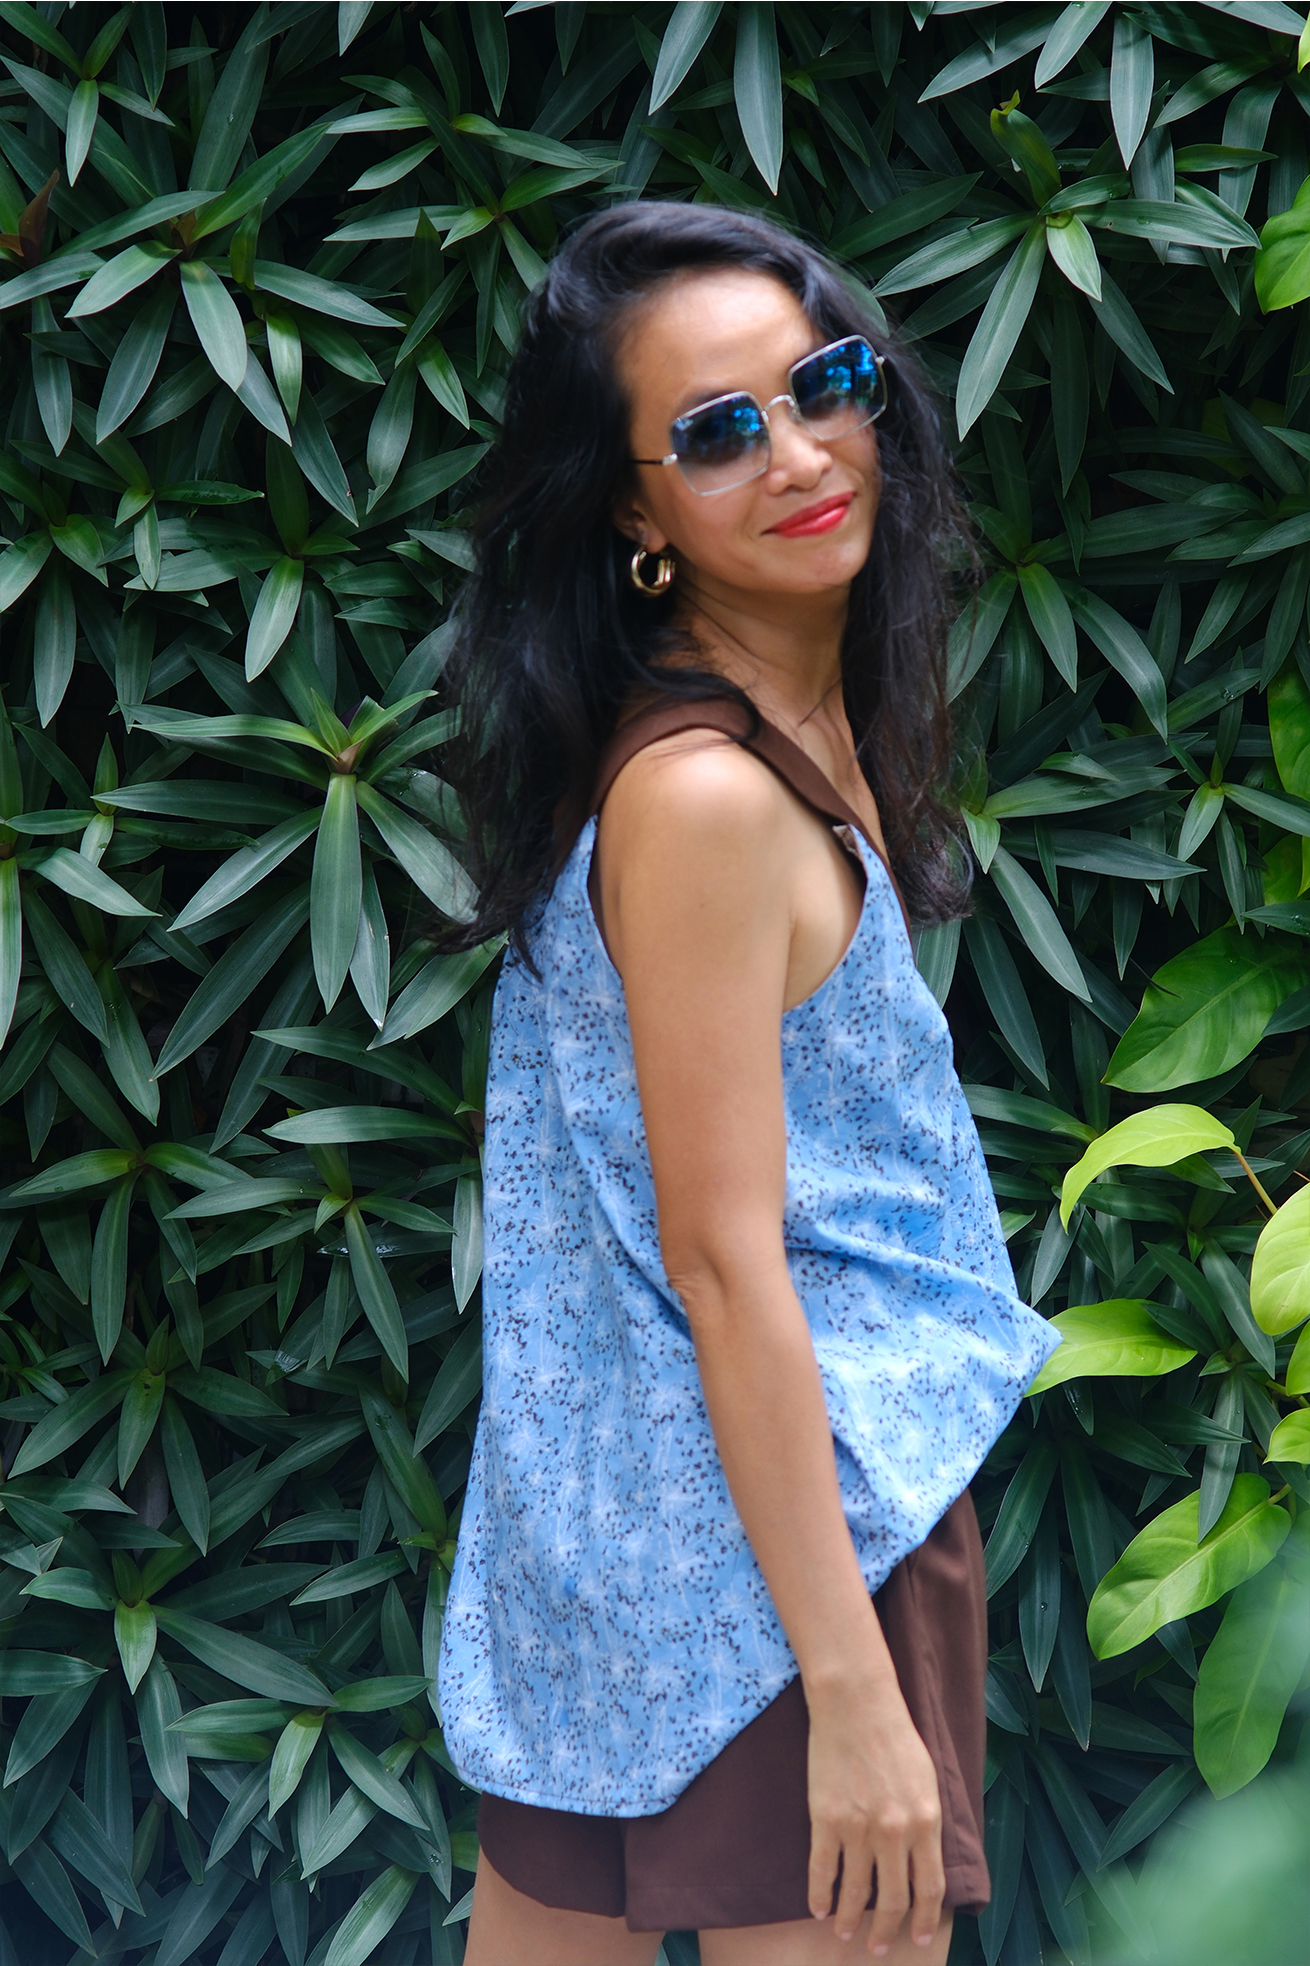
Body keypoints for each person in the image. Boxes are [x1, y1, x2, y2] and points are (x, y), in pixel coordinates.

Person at [436, 202, 1058, 1965]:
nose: (797, 453)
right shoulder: (709, 794)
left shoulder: (767, 725)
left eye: (823, 385)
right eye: (716, 432)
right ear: (633, 515)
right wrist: (855, 1693)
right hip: (798, 1560)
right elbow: (723, 1259)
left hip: (617, 1547)